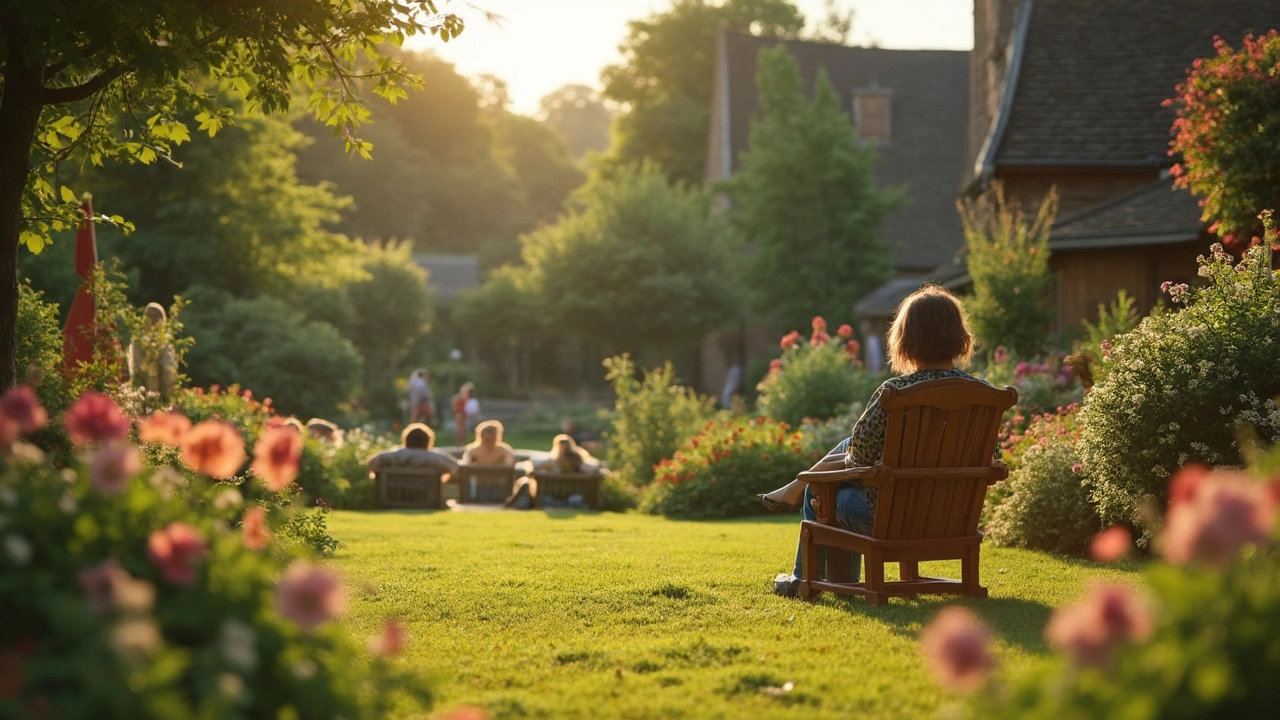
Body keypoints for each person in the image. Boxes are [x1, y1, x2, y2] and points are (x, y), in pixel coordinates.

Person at [761, 285, 991, 598]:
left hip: (890, 519)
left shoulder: (894, 395)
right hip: (953, 519)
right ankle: (799, 487)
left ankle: (803, 578)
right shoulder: (984, 397)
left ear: (906, 340)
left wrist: (825, 475)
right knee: (842, 453)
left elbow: (858, 461)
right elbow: (990, 456)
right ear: (960, 338)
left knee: (823, 488)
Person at [505, 434, 599, 509]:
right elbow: (594, 467)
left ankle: (511, 504)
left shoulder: (551, 464)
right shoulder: (580, 463)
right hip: (573, 497)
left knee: (526, 482)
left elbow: (533, 467)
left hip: (554, 497)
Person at [365, 423, 459, 478]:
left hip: (395, 496)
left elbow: (372, 463)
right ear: (428, 441)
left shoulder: (395, 455)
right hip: (427, 497)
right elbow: (457, 469)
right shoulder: (434, 457)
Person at [127, 302, 177, 398]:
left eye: (156, 316)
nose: (152, 320)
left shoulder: (166, 341)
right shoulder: (138, 340)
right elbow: (135, 365)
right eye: (149, 316)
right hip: (140, 390)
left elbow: (169, 368)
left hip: (162, 391)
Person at [451, 382, 477, 446]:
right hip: (460, 416)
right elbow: (455, 408)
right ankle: (459, 443)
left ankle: (461, 443)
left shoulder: (470, 400)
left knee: (462, 429)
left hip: (465, 417)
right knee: (460, 428)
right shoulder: (459, 399)